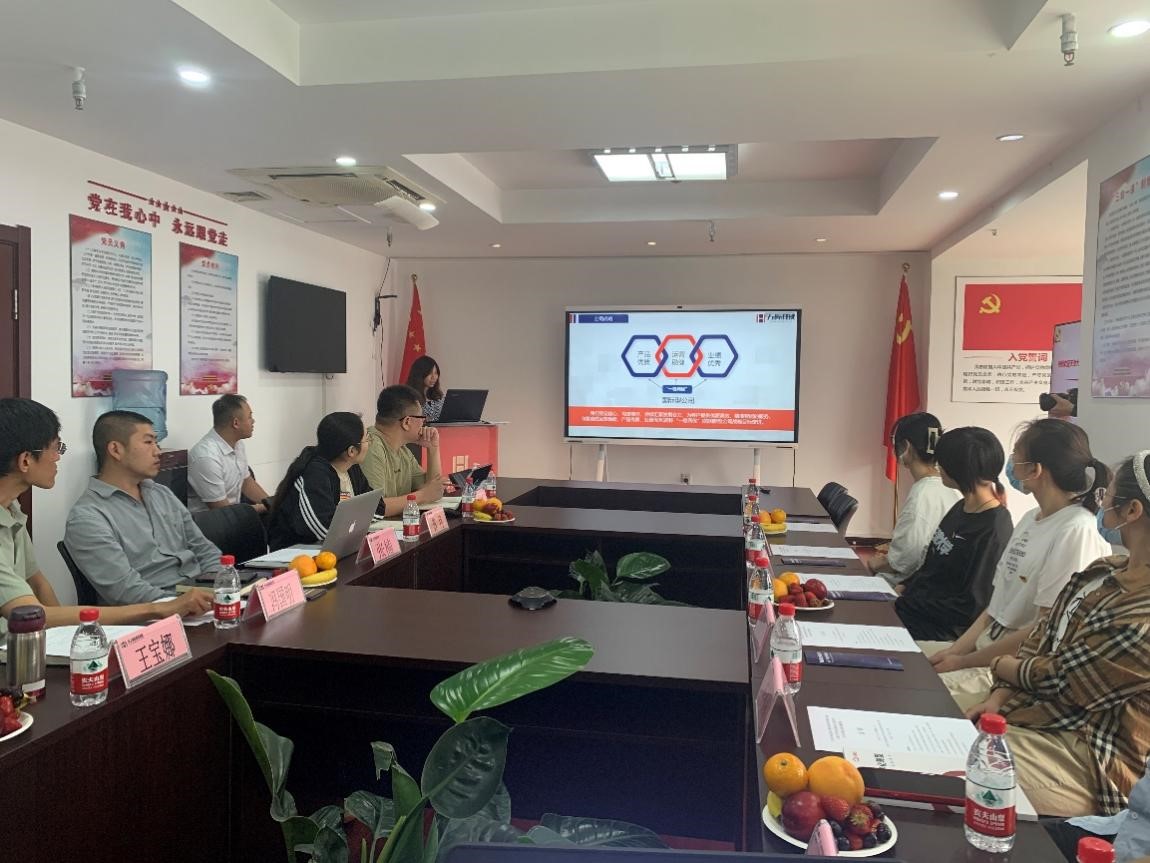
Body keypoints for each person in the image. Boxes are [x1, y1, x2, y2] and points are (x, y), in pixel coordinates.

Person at [965, 451, 1150, 818]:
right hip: (1030, 711)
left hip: (1085, 756)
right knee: (930, 721)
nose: (1102, 502)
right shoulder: (1104, 571)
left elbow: (1061, 679)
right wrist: (999, 697)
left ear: (1132, 511)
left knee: (946, 769)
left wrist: (1001, 664)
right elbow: (1042, 637)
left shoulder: (1142, 620)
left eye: (1109, 494)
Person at [929, 419, 1112, 710]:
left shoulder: (1075, 531)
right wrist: (954, 652)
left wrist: (963, 662)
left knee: (917, 695)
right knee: (904, 664)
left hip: (1010, 670)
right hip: (984, 649)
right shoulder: (1031, 518)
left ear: (1035, 470)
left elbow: (1042, 632)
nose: (1011, 462)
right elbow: (995, 608)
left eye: (1017, 455)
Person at [0, 399, 211, 630]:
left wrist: (65, 636)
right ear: (25, 461)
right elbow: (32, 614)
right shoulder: (88, 516)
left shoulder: (12, 509)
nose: (58, 457)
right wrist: (161, 608)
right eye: (55, 448)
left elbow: (38, 583)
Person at [63, 410, 218, 606]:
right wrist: (180, 604)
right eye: (148, 442)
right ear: (116, 450)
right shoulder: (88, 517)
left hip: (200, 601)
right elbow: (125, 591)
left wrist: (220, 586)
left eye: (156, 442)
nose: (158, 451)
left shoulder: (161, 494)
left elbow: (205, 550)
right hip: (152, 614)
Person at [894, 426, 1013, 642]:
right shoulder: (961, 507)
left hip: (939, 629)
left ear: (956, 469)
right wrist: (905, 586)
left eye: (942, 462)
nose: (938, 467)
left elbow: (970, 607)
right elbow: (930, 566)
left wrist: (905, 602)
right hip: (914, 610)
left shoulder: (993, 529)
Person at [867, 412, 960, 585]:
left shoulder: (921, 496)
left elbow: (902, 561)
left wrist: (872, 564)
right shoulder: (947, 488)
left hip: (903, 588)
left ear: (906, 447)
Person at [266, 412, 374, 550]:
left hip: (333, 548)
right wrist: (358, 521)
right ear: (351, 451)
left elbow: (376, 508)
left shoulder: (351, 467)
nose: (369, 443)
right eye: (367, 439)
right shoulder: (315, 473)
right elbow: (325, 529)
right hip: (296, 554)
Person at [362, 386, 443, 517]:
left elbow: (434, 489)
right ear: (407, 422)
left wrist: (433, 448)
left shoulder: (403, 450)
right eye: (421, 418)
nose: (424, 423)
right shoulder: (371, 447)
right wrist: (422, 495)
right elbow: (375, 507)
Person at [187, 393, 272, 513]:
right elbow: (223, 511)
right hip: (212, 521)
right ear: (235, 423)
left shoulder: (238, 444)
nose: (253, 421)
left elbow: (246, 483)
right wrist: (265, 507)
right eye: (249, 417)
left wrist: (273, 504)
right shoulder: (206, 457)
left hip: (233, 514)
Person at [405, 355, 444, 423]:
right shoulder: (409, 398)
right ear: (420, 374)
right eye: (430, 373)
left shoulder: (439, 396)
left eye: (436, 373)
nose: (434, 377)